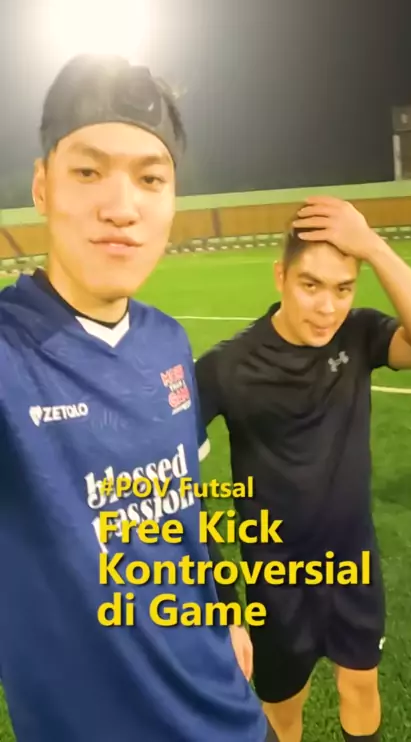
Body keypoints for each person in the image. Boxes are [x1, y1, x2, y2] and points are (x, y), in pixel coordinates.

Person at [0, 53, 278, 742]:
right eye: (88, 172)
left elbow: (182, 507)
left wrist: (225, 611)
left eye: (150, 178)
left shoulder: (168, 342)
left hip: (231, 710)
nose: (122, 208)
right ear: (42, 186)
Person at [195, 197, 411, 742]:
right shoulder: (228, 367)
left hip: (353, 564)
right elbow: (173, 482)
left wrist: (374, 247)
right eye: (310, 285)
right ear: (280, 276)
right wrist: (222, 603)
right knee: (283, 709)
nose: (327, 308)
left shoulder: (358, 336)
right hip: (278, 581)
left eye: (343, 288)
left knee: (360, 687)